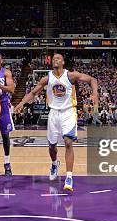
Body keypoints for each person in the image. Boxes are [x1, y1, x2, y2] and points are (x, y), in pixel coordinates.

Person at [14, 54, 98, 192]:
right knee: (52, 147)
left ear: (63, 62)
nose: (55, 60)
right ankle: (54, 164)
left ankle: (69, 176)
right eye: (54, 59)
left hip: (68, 112)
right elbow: (33, 93)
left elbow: (92, 79)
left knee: (68, 142)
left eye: (58, 58)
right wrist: (22, 103)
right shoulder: (47, 78)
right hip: (53, 113)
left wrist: (95, 94)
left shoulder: (71, 75)